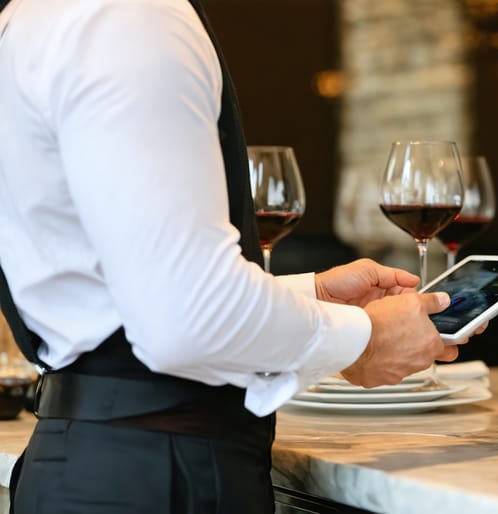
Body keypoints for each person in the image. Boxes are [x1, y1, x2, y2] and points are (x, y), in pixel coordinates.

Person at [0, 0, 473, 512]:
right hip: (161, 477)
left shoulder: (35, 17)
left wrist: (309, 297)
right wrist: (364, 339)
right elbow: (186, 320)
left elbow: (118, 289)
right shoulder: (129, 15)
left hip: (95, 461)